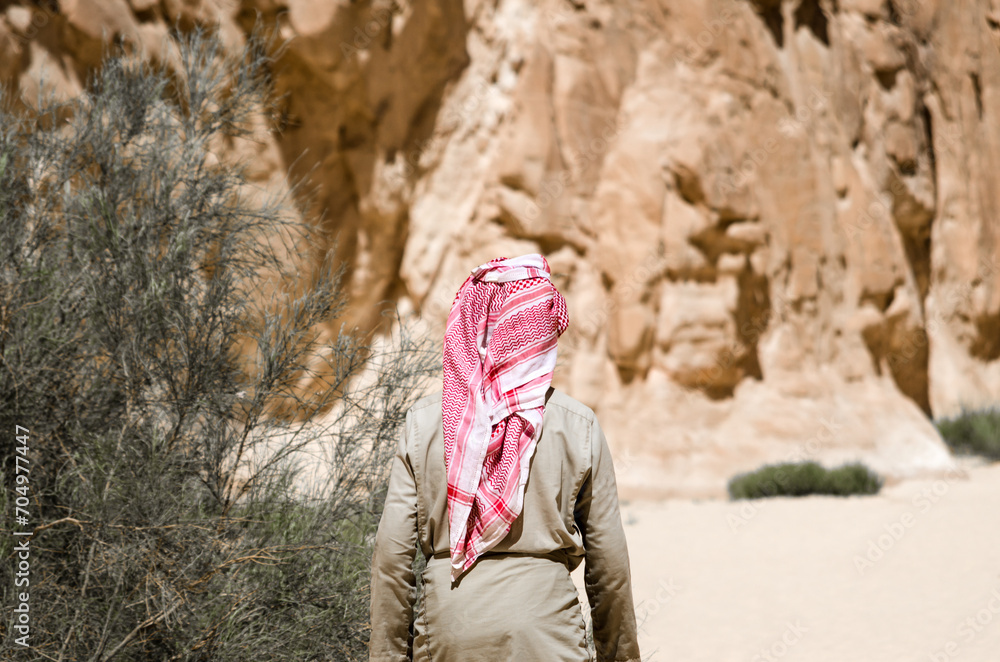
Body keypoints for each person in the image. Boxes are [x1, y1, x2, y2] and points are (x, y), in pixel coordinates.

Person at [369, 254, 640, 662]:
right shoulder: (578, 425)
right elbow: (610, 568)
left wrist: (386, 657)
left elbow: (391, 558)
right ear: (543, 331)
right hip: (547, 635)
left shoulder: (424, 424)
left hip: (448, 633)